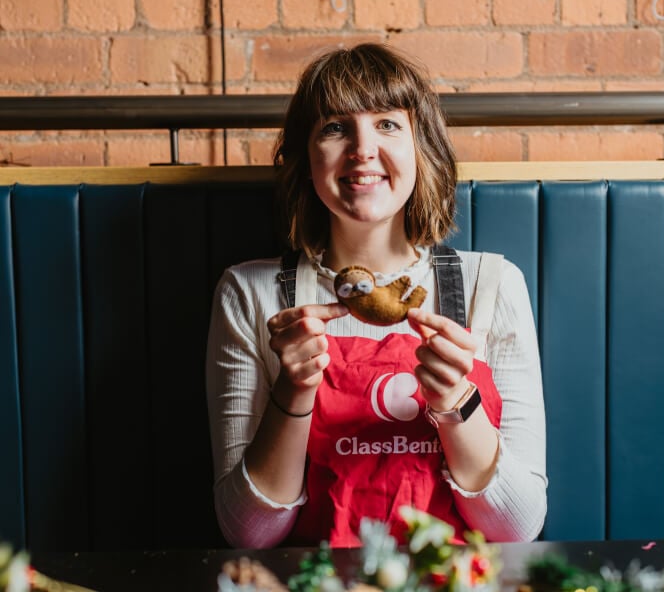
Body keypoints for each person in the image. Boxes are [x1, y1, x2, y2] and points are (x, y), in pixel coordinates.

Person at [206, 43, 546, 549]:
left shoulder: (489, 286)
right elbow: (249, 533)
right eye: (335, 127)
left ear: (421, 149)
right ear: (306, 159)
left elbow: (517, 528)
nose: (362, 149)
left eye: (388, 124)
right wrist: (293, 392)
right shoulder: (251, 292)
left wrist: (455, 403)